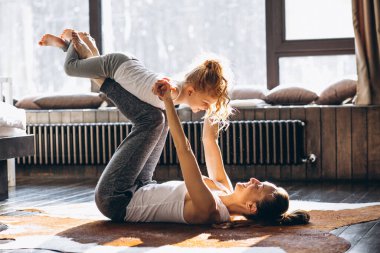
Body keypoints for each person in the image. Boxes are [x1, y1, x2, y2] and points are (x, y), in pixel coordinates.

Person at [39, 30, 309, 225]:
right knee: (157, 120)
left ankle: (83, 59)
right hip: (142, 185)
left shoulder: (211, 210)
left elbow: (185, 150)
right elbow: (209, 142)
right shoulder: (224, 189)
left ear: (251, 207)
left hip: (116, 200)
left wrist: (168, 100)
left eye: (259, 186)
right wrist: (215, 105)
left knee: (154, 119)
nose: (254, 179)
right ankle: (91, 63)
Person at [38, 29, 231, 124]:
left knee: (92, 65)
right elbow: (165, 89)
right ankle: (71, 41)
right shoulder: (173, 91)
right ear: (191, 90)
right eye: (206, 103)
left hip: (125, 64)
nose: (205, 109)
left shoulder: (178, 92)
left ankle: (76, 43)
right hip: (116, 66)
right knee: (71, 68)